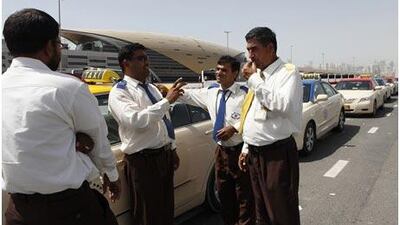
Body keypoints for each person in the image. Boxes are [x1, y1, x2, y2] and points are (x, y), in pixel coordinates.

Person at [2, 8, 121, 225]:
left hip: (17, 211)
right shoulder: (68, 89)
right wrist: (112, 176)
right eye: (59, 44)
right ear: (49, 47)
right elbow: (99, 142)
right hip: (68, 210)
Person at [108, 43, 185, 225]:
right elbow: (136, 121)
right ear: (126, 63)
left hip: (163, 157)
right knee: (147, 214)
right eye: (141, 58)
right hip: (143, 161)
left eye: (146, 58)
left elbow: (164, 119)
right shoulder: (120, 92)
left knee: (165, 210)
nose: (146, 63)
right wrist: (166, 101)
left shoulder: (151, 88)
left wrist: (172, 148)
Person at [238, 27, 303, 225]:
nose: (250, 55)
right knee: (261, 213)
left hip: (277, 155)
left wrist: (254, 80)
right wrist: (246, 146)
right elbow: (251, 114)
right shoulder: (259, 77)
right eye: (248, 50)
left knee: (282, 213)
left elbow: (284, 106)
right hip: (255, 155)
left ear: (270, 47)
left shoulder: (287, 73)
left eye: (254, 49)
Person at [179, 55, 254, 225]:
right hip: (221, 152)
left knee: (244, 196)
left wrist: (234, 127)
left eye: (224, 70)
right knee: (224, 195)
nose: (219, 73)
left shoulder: (244, 94)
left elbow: (253, 118)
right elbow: (190, 96)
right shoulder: (211, 92)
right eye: (217, 69)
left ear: (235, 73)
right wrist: (169, 91)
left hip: (241, 151)